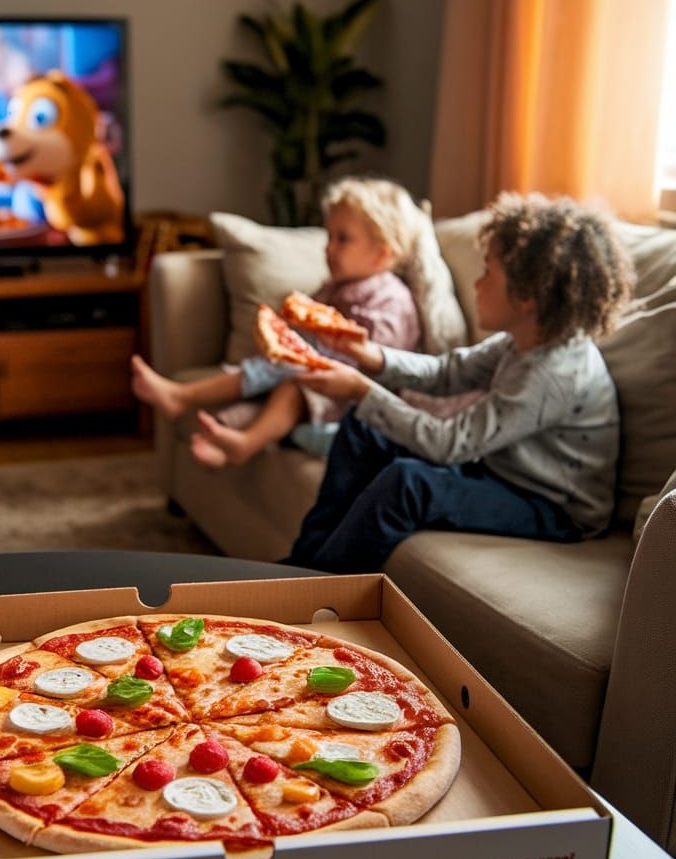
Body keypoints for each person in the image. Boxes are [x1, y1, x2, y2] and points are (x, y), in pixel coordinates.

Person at [284, 191, 634, 574]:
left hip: (552, 506)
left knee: (408, 484)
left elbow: (450, 444)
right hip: (502, 471)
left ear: (529, 295)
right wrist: (371, 356)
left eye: (488, 272)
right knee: (363, 424)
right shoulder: (521, 341)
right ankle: (301, 567)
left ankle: (322, 583)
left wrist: (361, 389)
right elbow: (447, 374)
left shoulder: (553, 374)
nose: (477, 284)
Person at [130, 177, 423, 468]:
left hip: (350, 403)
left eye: (342, 239)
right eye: (329, 236)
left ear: (383, 252)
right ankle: (220, 436)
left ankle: (226, 430)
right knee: (265, 389)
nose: (329, 248)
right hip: (311, 379)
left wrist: (305, 358)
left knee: (290, 388)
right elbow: (300, 329)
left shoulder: (391, 301)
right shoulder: (332, 288)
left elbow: (377, 365)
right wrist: (281, 333)